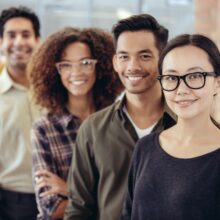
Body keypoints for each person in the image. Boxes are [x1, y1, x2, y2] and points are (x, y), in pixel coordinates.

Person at [64, 14, 176, 220]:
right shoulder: (93, 129)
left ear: (163, 60)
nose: (133, 66)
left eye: (144, 56)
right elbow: (78, 210)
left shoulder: (185, 124)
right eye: (124, 56)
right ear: (115, 62)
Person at [121, 34, 220, 220]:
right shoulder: (145, 147)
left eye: (195, 76)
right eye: (171, 77)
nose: (181, 89)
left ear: (217, 82)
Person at [29, 27, 121, 220]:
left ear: (100, 66)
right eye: (66, 65)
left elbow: (128, 195)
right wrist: (105, 200)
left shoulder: (118, 120)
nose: (76, 72)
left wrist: (69, 189)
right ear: (56, 71)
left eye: (86, 63)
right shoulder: (44, 129)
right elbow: (51, 208)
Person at [0, 6, 40, 220]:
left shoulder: (56, 89)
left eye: (26, 35)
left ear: (37, 40)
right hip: (10, 202)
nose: (19, 42)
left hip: (62, 197)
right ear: (1, 42)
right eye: (11, 35)